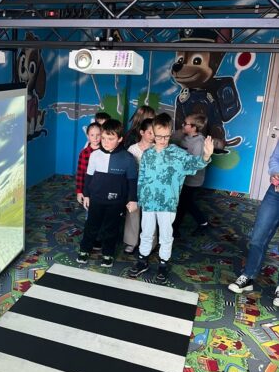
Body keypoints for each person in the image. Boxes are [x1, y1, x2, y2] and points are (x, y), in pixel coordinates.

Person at [129, 112, 214, 282]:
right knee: (146, 233)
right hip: (149, 202)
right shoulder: (147, 154)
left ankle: (163, 264)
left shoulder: (177, 154)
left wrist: (206, 155)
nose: (162, 140)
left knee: (166, 235)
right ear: (153, 133)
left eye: (166, 136)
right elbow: (142, 178)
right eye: (159, 136)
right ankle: (142, 260)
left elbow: (195, 164)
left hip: (167, 203)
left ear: (171, 132)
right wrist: (139, 199)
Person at [77, 119, 138, 268]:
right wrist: (86, 195)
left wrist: (132, 199)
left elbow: (132, 181)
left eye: (110, 139)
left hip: (116, 202)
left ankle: (108, 253)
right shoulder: (94, 155)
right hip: (96, 199)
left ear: (120, 139)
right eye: (103, 138)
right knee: (91, 226)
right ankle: (84, 250)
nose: (105, 142)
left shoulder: (128, 158)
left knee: (111, 228)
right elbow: (88, 177)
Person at [228, 140, 279, 307]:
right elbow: (275, 158)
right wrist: (275, 172)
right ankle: (248, 276)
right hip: (275, 193)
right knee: (258, 236)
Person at [173, 113, 210, 237]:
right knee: (184, 202)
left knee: (184, 202)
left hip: (193, 179)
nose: (182, 125)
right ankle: (175, 227)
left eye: (185, 124)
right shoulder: (184, 137)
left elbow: (195, 163)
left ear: (194, 127)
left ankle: (202, 222)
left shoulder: (199, 142)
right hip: (183, 177)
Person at [123, 117, 155, 254]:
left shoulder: (157, 149)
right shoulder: (133, 149)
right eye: (150, 133)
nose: (153, 136)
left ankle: (151, 243)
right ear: (142, 132)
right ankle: (131, 241)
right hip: (135, 186)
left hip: (152, 187)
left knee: (151, 216)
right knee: (133, 213)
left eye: (155, 133)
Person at [76, 122, 101, 205]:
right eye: (92, 135)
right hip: (88, 187)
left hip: (102, 187)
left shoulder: (106, 151)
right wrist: (79, 191)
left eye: (98, 135)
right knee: (89, 208)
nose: (95, 138)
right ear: (88, 136)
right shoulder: (84, 153)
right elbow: (80, 173)